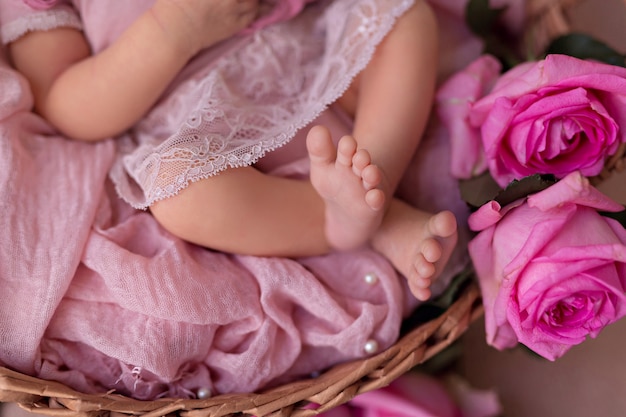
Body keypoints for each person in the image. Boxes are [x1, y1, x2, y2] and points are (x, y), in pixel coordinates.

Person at [2, 0, 457, 301]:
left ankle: (374, 172)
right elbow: (68, 105)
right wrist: (172, 31)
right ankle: (339, 220)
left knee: (403, 17)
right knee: (181, 193)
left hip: (311, 51)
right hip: (194, 113)